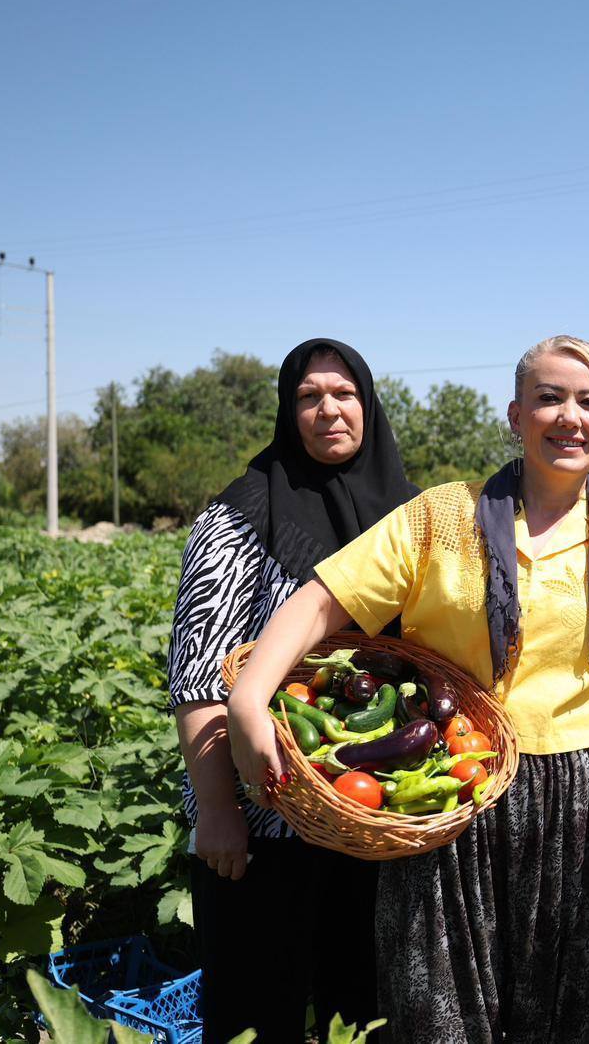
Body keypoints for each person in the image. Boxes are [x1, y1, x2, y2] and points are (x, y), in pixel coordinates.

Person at [223, 335, 589, 1043]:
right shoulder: (441, 517)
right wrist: (248, 697)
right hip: (451, 792)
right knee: (438, 1016)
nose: (570, 417)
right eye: (549, 398)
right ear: (515, 415)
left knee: (574, 1022)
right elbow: (322, 601)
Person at [169, 338, 416, 1042]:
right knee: (256, 1006)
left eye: (344, 395)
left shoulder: (405, 518)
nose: (328, 410)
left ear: (368, 405)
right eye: (309, 397)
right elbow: (197, 671)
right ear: (288, 410)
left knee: (363, 1005)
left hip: (375, 818)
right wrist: (218, 808)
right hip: (264, 814)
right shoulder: (242, 515)